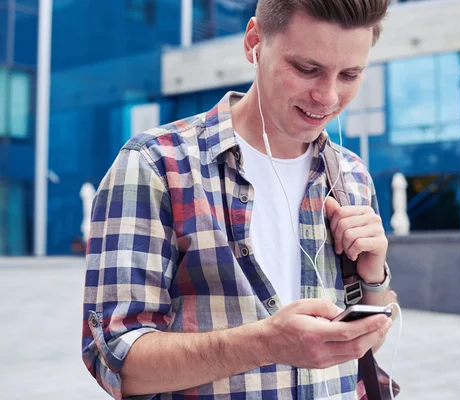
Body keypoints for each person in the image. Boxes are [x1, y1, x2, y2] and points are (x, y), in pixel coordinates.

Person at [82, 0, 396, 398]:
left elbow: (366, 348)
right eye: (306, 69)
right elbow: (115, 363)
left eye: (350, 74)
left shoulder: (351, 175)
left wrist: (373, 278)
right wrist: (266, 343)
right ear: (254, 42)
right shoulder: (156, 164)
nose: (328, 97)